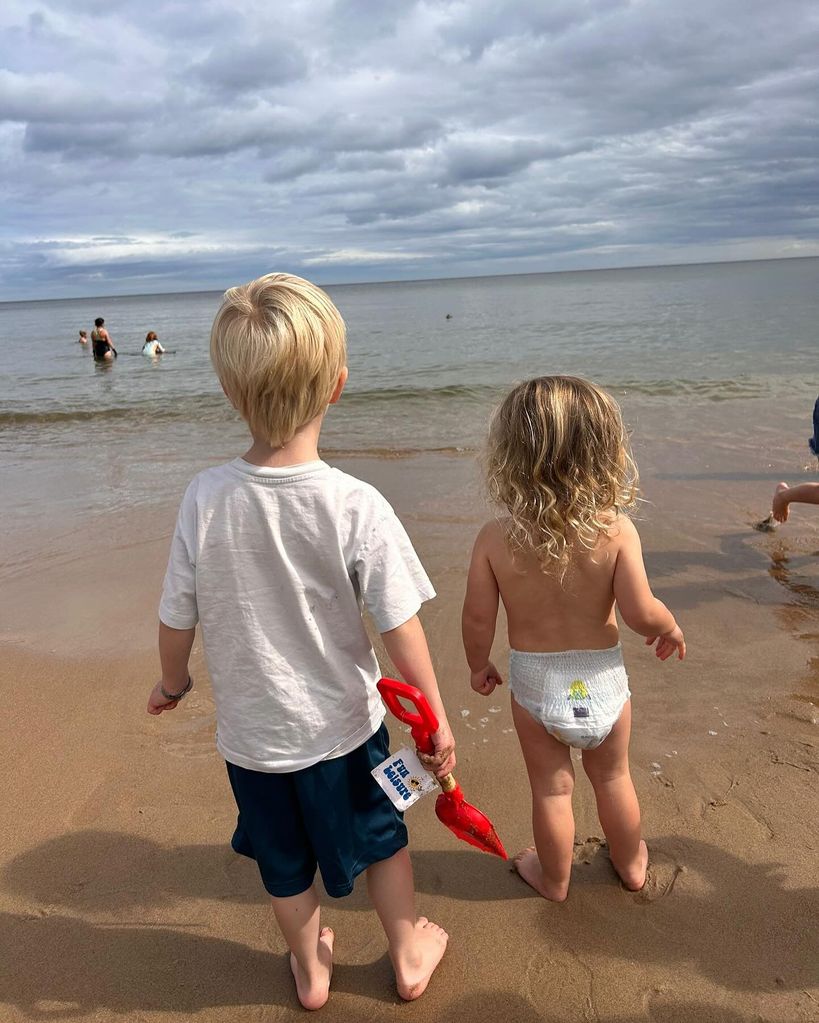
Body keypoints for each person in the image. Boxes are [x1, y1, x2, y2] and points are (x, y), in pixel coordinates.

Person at [146, 272, 454, 1009]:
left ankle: (311, 971)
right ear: (338, 385)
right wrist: (433, 720)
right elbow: (398, 627)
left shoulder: (205, 496)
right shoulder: (354, 503)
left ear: (230, 391)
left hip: (253, 737)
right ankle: (406, 951)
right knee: (382, 837)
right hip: (347, 729)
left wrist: (173, 682)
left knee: (283, 862)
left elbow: (175, 615)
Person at [462, 376, 685, 902]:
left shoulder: (497, 537)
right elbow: (639, 611)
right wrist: (667, 626)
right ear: (605, 450)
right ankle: (631, 864)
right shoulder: (616, 530)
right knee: (613, 779)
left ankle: (554, 879)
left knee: (552, 788)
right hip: (601, 682)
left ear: (511, 454)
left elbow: (477, 619)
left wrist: (479, 664)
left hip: (538, 686)